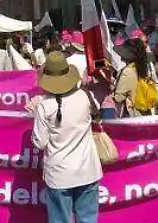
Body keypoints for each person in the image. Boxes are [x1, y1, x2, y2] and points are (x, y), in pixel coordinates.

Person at [29, 53, 102, 223]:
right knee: (88, 219)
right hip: (87, 171)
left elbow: (40, 143)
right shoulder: (84, 97)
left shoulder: (44, 106)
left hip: (59, 174)